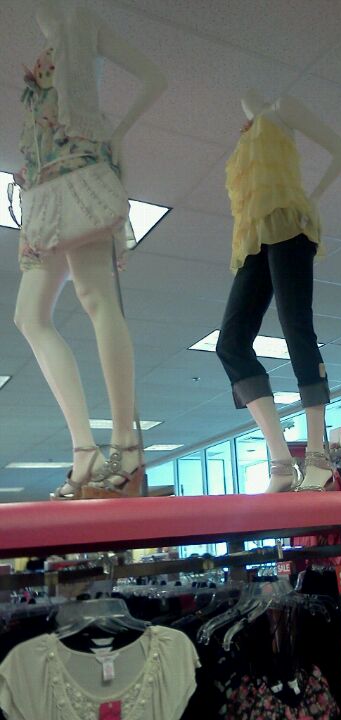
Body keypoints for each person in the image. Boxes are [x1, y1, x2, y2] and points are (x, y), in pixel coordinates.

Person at [13, 0, 167, 499]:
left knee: (94, 297)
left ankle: (124, 443)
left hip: (77, 173)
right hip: (45, 190)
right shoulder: (60, 37)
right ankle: (87, 450)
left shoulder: (79, 23)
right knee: (30, 316)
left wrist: (114, 135)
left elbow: (154, 77)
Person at [216, 90, 341, 492]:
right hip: (254, 237)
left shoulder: (282, 109)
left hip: (290, 225)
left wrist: (309, 200)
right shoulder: (247, 134)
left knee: (296, 329)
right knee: (230, 343)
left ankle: (317, 455)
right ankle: (281, 462)